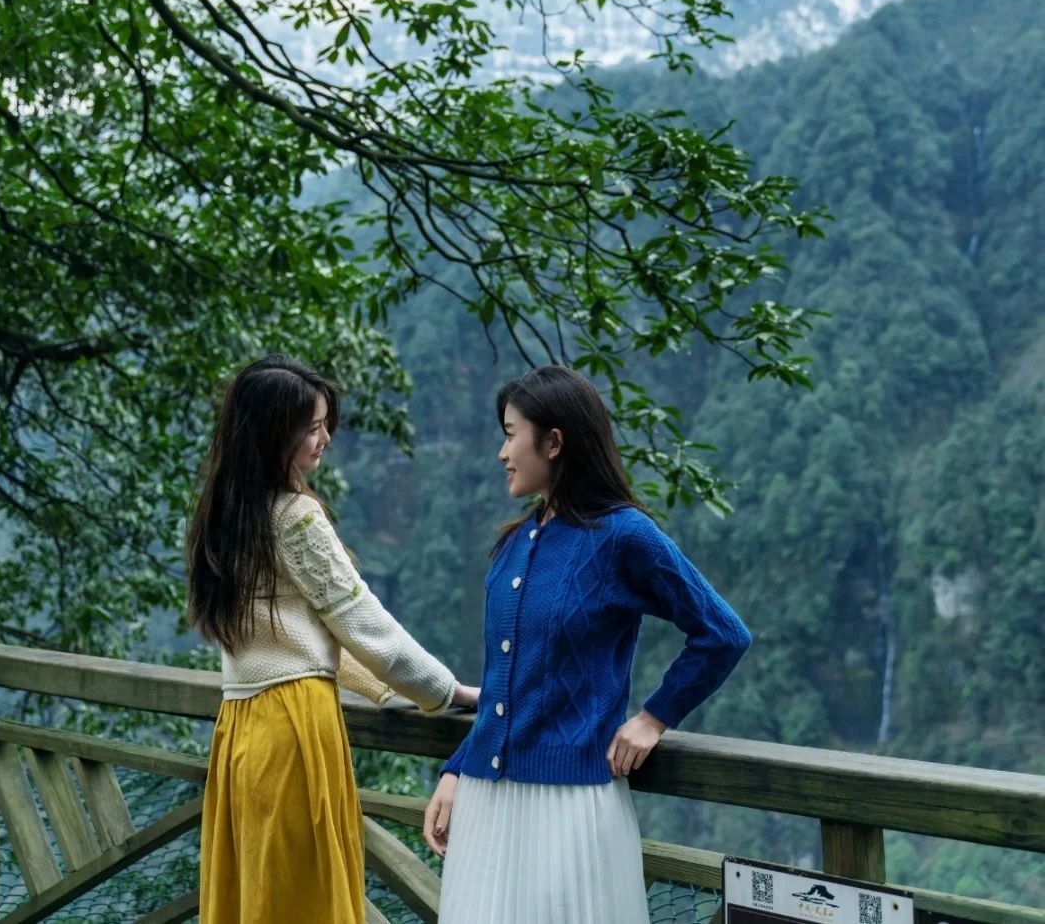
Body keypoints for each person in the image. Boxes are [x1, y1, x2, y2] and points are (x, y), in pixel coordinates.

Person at [424, 363, 751, 924]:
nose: (502, 453)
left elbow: (722, 633)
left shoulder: (623, 535)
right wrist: (458, 769)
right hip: (486, 802)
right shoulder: (513, 544)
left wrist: (652, 718)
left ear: (553, 442)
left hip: (570, 807)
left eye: (509, 434)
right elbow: (505, 681)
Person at [187, 353, 477, 924]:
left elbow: (305, 638)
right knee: (305, 898)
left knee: (263, 896)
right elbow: (367, 629)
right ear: (275, 434)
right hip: (296, 729)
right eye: (312, 427)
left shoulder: (227, 515)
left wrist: (388, 693)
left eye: (325, 425)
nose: (324, 439)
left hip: (241, 733)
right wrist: (449, 693)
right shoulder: (294, 517)